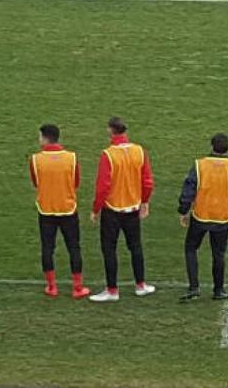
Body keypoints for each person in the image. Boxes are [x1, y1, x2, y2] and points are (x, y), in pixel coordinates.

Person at [89, 117, 156, 302]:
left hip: (112, 209)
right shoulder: (139, 151)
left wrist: (96, 209)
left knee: (109, 248)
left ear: (111, 131)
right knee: (135, 246)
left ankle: (112, 290)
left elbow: (103, 186)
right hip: (133, 207)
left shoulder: (108, 154)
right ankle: (140, 285)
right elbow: (147, 181)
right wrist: (145, 201)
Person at [178, 133, 228, 301]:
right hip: (224, 217)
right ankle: (219, 290)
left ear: (211, 146)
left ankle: (194, 287)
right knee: (219, 253)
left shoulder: (199, 165)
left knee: (191, 248)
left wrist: (183, 211)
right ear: (227, 148)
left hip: (201, 215)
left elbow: (189, 190)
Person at [28, 124, 91, 299]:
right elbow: (76, 181)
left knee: (47, 248)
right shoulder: (71, 158)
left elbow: (36, 182)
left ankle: (51, 287)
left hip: (46, 209)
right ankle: (77, 288)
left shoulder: (36, 159)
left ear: (45, 138)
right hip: (68, 208)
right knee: (74, 248)